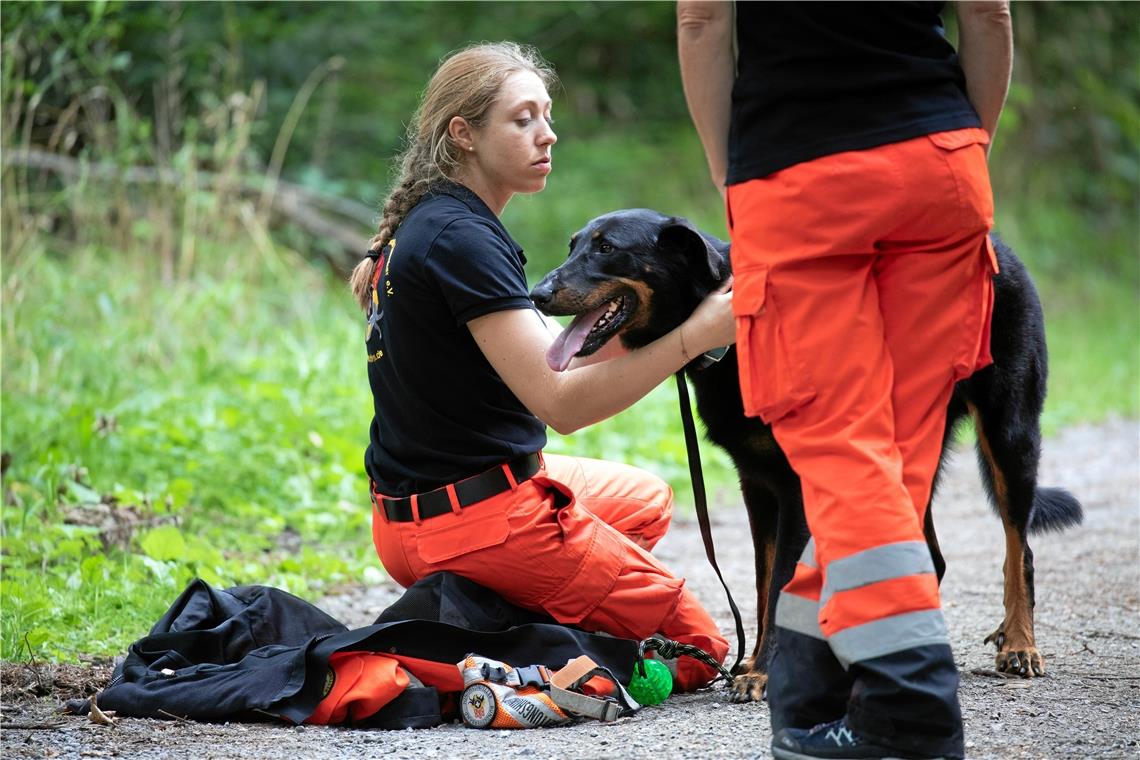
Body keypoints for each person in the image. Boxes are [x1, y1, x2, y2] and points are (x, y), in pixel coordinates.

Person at [678, 2, 1012, 758]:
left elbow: (700, 24)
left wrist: (728, 169)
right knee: (896, 450)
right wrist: (966, 144)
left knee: (841, 448)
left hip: (797, 176)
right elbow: (988, 16)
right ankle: (815, 693)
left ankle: (908, 715)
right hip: (939, 162)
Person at [347, 42, 735, 692]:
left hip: (413, 518)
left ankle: (493, 613)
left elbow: (553, 357)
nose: (547, 134)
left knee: (645, 501)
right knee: (700, 648)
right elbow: (562, 404)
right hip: (474, 523)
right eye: (523, 118)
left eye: (546, 115)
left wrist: (669, 314)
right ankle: (514, 659)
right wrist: (696, 336)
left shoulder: (436, 220)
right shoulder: (460, 239)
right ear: (464, 135)